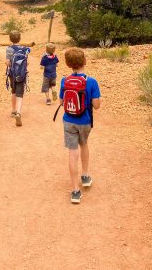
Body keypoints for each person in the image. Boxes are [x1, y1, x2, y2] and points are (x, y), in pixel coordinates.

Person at [59, 47, 101, 204]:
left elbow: (62, 101)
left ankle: (75, 191)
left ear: (68, 64)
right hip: (84, 121)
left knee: (72, 153)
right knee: (84, 145)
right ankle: (85, 175)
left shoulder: (65, 80)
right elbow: (96, 105)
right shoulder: (91, 81)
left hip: (69, 120)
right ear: (85, 61)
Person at [5, 30, 30, 127]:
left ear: (10, 39)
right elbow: (27, 62)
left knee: (14, 91)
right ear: (20, 38)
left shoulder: (9, 49)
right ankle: (19, 112)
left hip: (12, 74)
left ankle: (13, 110)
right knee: (20, 93)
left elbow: (7, 62)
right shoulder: (25, 49)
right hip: (22, 74)